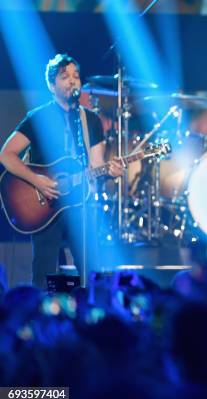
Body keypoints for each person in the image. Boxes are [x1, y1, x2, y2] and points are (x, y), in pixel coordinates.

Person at [0, 53, 123, 289]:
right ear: (51, 85)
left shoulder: (91, 120)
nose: (72, 81)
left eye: (76, 76)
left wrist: (110, 171)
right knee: (44, 272)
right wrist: (36, 180)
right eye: (64, 76)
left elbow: (96, 167)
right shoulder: (39, 117)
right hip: (45, 204)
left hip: (80, 204)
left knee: (89, 270)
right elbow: (6, 154)